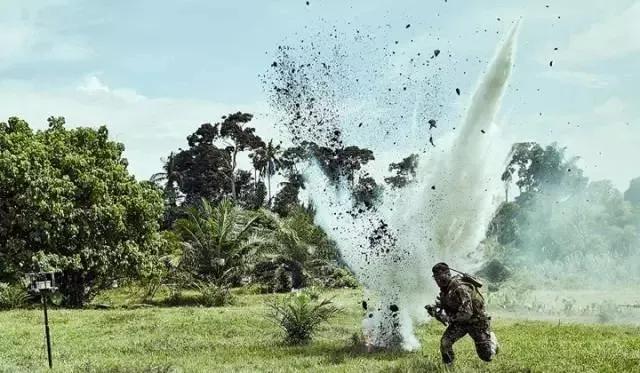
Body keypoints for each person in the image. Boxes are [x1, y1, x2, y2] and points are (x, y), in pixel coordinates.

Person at [425, 262, 499, 366]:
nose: (438, 280)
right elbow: (445, 303)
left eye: (440, 277)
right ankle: (448, 367)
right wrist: (434, 309)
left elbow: (467, 313)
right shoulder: (445, 290)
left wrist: (449, 319)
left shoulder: (460, 287)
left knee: (487, 356)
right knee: (445, 343)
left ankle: (492, 341)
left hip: (476, 321)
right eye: (435, 278)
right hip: (460, 323)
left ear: (448, 274)